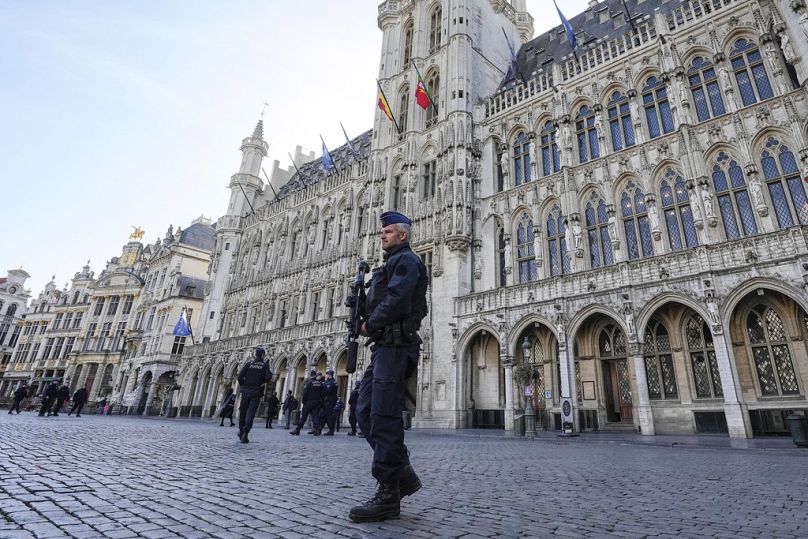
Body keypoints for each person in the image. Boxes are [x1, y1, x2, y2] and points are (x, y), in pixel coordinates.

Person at [349, 211, 428, 523]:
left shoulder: (407, 261)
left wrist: (370, 323)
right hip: (384, 347)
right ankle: (402, 473)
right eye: (382, 231)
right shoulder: (391, 263)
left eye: (389, 231)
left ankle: (388, 494)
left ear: (403, 235)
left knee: (383, 414)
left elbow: (396, 300)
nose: (382, 235)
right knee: (365, 411)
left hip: (397, 346)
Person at [237, 347, 273, 443]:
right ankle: (246, 432)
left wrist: (243, 385)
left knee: (243, 412)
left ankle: (241, 431)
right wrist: (262, 382)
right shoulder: (264, 365)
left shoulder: (249, 364)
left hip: (245, 391)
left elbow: (239, 376)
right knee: (251, 413)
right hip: (256, 391)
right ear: (262, 355)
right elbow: (269, 377)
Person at [290, 370, 323, 436]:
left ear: (311, 375)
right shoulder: (320, 383)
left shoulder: (309, 383)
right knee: (315, 417)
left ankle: (297, 430)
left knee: (303, 417)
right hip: (316, 402)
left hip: (308, 402)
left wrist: (304, 401)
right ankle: (317, 430)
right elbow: (322, 393)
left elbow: (305, 393)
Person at [322, 370, 338, 436]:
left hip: (329, 401)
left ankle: (331, 430)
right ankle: (319, 428)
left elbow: (328, 391)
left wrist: (324, 387)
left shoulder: (331, 383)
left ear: (329, 375)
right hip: (329, 400)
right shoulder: (331, 382)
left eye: (327, 375)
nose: (326, 376)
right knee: (325, 415)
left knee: (329, 416)